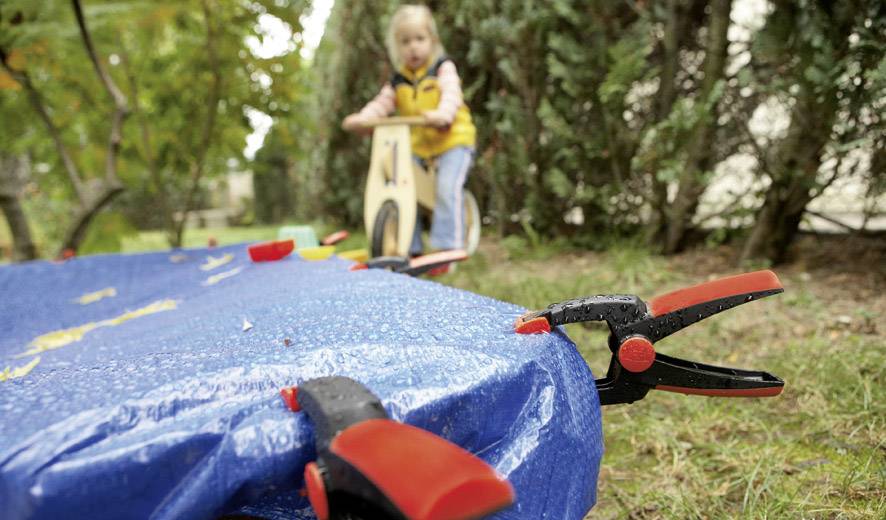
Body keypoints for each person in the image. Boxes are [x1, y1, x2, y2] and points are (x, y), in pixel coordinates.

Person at [342, 4, 476, 258]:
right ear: (397, 47)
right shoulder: (398, 80)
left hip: (453, 140)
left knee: (446, 188)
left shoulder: (442, 68)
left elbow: (452, 95)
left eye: (419, 39)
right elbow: (382, 103)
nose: (413, 46)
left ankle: (448, 249)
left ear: (432, 41)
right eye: (405, 42)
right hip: (420, 145)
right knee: (404, 188)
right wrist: (363, 119)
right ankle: (409, 248)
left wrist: (442, 115)